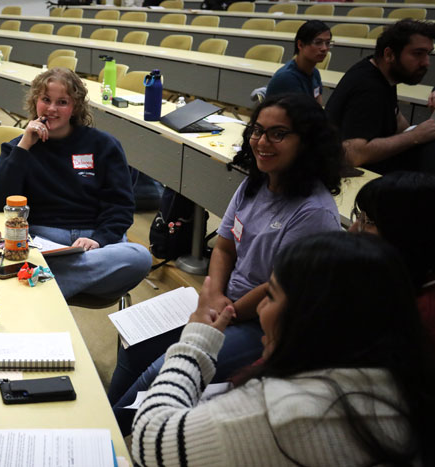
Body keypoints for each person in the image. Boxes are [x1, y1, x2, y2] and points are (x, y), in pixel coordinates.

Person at [109, 93, 343, 434]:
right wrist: (214, 293)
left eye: (278, 134)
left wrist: (224, 312)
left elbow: (279, 286)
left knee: (160, 371)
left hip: (265, 322)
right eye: (258, 131)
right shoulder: (255, 183)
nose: (262, 142)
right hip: (224, 304)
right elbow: (224, 248)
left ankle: (110, 435)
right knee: (135, 347)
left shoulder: (314, 212)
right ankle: (109, 421)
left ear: (306, 142)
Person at [131, 232, 435, 466]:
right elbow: (224, 246)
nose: (262, 307)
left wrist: (196, 340)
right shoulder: (403, 383)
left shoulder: (289, 415)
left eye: (272, 297)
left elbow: (150, 441)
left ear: (314, 316)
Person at [0, 68, 152, 300]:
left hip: (96, 241)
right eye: (46, 100)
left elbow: (120, 206)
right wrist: (24, 147)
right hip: (45, 239)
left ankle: (37, 281)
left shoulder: (104, 145)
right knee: (18, 246)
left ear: (75, 108)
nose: (52, 109)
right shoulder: (18, 148)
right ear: (35, 102)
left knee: (139, 257)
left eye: (62, 102)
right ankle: (56, 281)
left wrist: (100, 239)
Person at [325, 19, 435, 174]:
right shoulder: (368, 88)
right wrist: (415, 136)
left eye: (428, 54)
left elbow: (395, 116)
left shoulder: (383, 71)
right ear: (389, 54)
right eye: (418, 54)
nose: (426, 62)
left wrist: (418, 131)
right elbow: (353, 155)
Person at [350, 171, 435, 347]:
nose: (353, 230)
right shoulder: (397, 276)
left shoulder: (423, 313)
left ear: (405, 233)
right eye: (359, 216)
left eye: (369, 222)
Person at [266, 20, 331, 104]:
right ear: (300, 45)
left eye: (328, 43)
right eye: (318, 42)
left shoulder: (315, 73)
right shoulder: (286, 78)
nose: (324, 48)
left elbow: (317, 106)